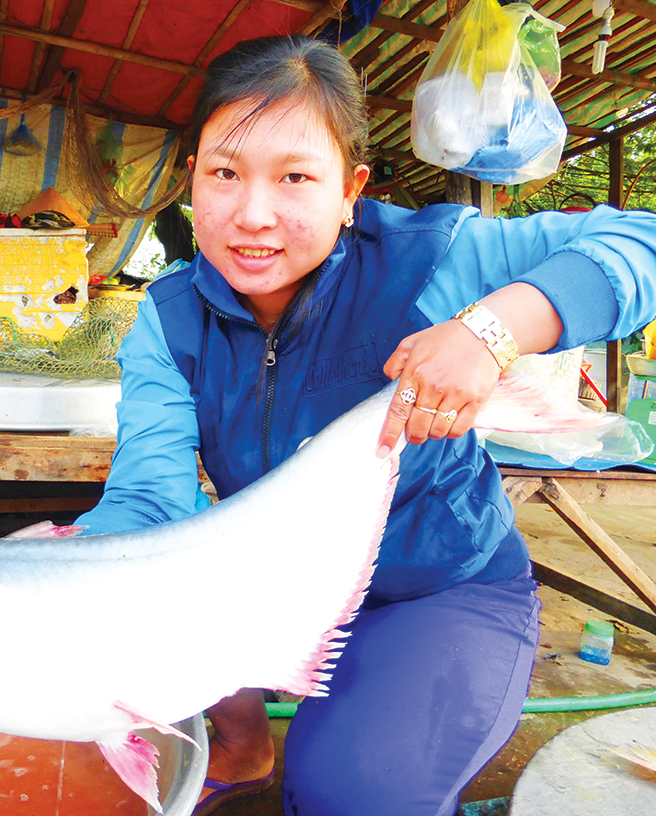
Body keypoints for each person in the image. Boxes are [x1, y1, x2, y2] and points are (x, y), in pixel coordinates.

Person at [75, 35, 656, 816]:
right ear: (191, 180)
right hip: (284, 588)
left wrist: (493, 328)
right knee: (123, 630)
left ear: (350, 189)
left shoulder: (431, 258)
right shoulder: (168, 317)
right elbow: (152, 494)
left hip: (433, 592)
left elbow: (643, 241)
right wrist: (86, 567)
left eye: (296, 178)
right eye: (225, 173)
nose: (253, 215)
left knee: (351, 792)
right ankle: (243, 747)